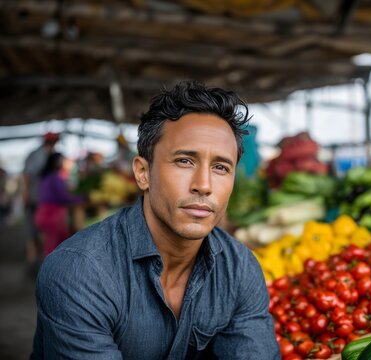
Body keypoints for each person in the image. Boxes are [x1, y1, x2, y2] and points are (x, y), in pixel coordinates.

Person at [31, 81, 280, 359]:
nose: (204, 185)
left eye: (221, 167)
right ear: (142, 173)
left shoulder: (239, 268)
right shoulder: (79, 272)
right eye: (185, 161)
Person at [34, 152, 85, 258]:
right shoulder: (56, 177)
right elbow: (62, 198)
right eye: (63, 160)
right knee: (54, 247)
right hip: (52, 215)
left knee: (49, 245)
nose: (65, 163)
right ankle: (51, 272)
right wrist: (80, 198)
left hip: (43, 213)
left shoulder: (46, 177)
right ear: (57, 162)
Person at [22, 132, 59, 268]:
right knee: (34, 231)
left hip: (41, 198)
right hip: (35, 198)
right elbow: (26, 175)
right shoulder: (39, 155)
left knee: (39, 231)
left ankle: (40, 261)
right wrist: (25, 194)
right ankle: (33, 261)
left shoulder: (46, 154)